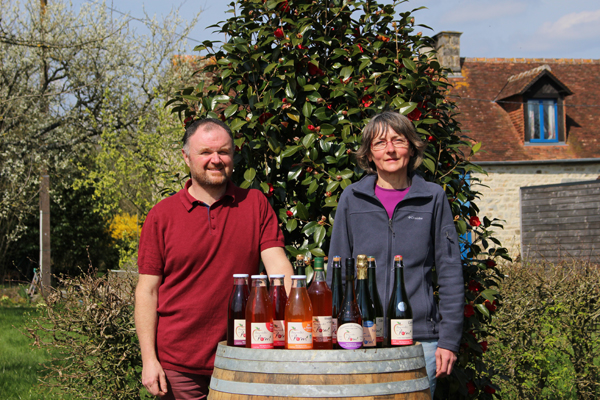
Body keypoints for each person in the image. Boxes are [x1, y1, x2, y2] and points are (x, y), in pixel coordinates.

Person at [135, 118, 294, 399]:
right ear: (186, 157)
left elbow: (279, 269)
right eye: (205, 152)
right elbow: (147, 292)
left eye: (224, 151)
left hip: (242, 357)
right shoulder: (161, 216)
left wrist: (295, 329)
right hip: (179, 367)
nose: (216, 160)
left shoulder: (255, 204)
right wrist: (149, 360)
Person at [328, 111, 464, 397]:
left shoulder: (433, 197)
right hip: (361, 336)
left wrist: (448, 341)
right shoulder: (351, 199)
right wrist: (333, 333)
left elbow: (450, 272)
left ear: (411, 147)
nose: (390, 149)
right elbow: (336, 274)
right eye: (379, 143)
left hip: (420, 341)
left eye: (398, 141)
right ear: (369, 154)